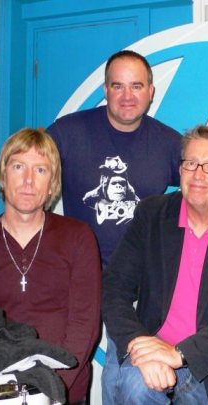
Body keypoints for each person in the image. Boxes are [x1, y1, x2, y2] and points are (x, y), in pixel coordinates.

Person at [101, 122, 208, 404]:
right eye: (191, 163)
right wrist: (139, 347)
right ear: (180, 170)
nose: (198, 174)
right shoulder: (152, 215)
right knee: (134, 385)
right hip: (151, 352)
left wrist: (180, 354)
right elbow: (114, 289)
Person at [0, 128, 101, 405]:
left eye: (40, 170)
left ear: (52, 184)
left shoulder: (78, 237)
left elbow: (84, 323)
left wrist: (51, 388)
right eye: (18, 167)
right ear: (2, 175)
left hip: (63, 384)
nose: (28, 180)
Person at [47, 49, 181, 267]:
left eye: (136, 86)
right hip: (80, 274)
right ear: (106, 90)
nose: (127, 96)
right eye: (118, 86)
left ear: (151, 92)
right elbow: (29, 173)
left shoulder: (170, 143)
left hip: (144, 279)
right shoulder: (67, 133)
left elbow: (202, 189)